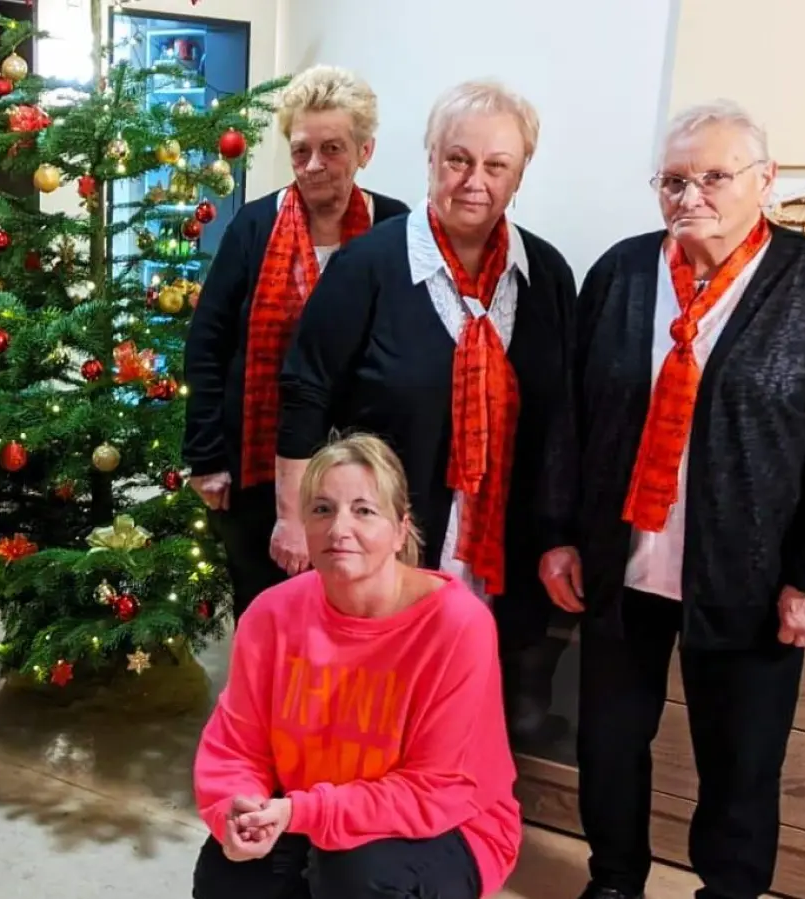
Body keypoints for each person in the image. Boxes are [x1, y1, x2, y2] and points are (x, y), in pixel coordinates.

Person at [538, 101, 805, 899]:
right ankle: (615, 879)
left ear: (765, 182)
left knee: (742, 753)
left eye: (714, 177)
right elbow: (570, 416)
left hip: (753, 573)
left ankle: (726, 891)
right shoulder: (621, 272)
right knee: (611, 739)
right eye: (674, 180)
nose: (690, 196)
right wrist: (559, 532)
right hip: (624, 560)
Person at [275, 81, 576, 740]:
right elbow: (306, 389)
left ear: (520, 173)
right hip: (394, 541)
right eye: (458, 159)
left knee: (475, 715)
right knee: (375, 711)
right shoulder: (368, 266)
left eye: (497, 165)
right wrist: (294, 518)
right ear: (430, 159)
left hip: (503, 546)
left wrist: (559, 530)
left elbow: (561, 419)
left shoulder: (547, 275)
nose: (475, 181)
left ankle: (451, 831)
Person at [192, 433, 522, 899]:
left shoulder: (458, 625)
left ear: (400, 529)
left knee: (354, 874)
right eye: (322, 510)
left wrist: (301, 813)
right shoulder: (271, 615)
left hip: (451, 825)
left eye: (364, 510)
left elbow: (434, 788)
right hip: (308, 808)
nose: (338, 529)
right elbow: (236, 747)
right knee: (227, 877)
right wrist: (238, 809)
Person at [182, 64, 408, 621]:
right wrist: (208, 455)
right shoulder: (254, 228)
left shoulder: (396, 230)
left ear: (365, 151)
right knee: (267, 612)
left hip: (362, 470)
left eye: (332, 149)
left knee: (355, 613)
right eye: (301, 149)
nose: (313, 166)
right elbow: (207, 344)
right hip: (255, 468)